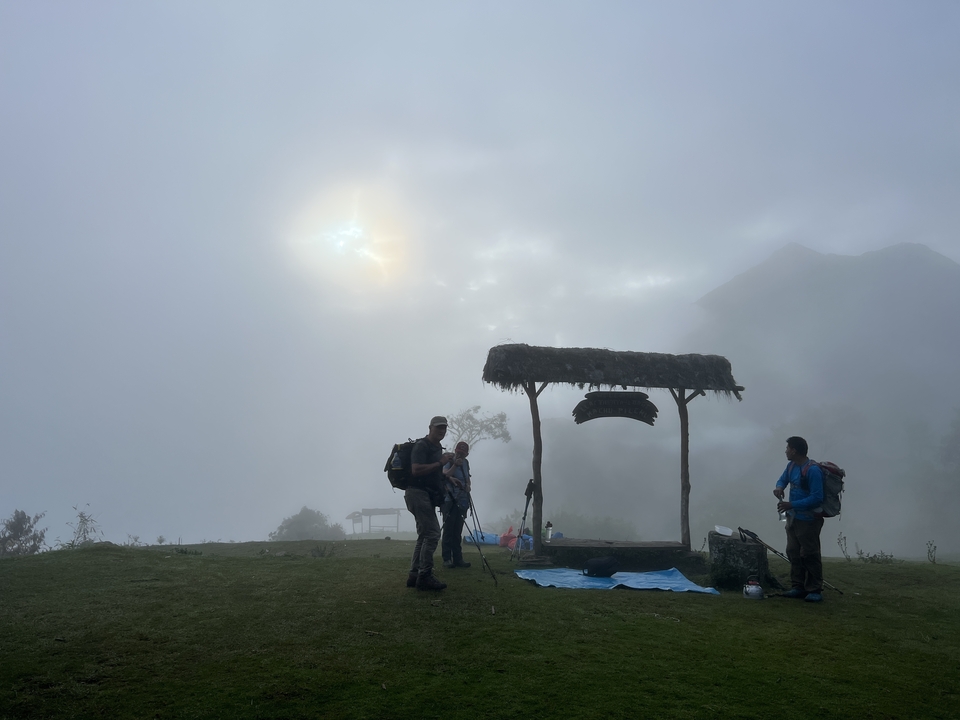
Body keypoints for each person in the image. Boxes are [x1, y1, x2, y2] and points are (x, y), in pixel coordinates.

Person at [774, 436, 826, 602]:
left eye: (788, 448)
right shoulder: (791, 466)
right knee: (793, 552)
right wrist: (779, 487)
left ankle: (814, 589)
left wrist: (792, 505)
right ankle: (798, 586)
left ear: (795, 450)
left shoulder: (813, 470)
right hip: (793, 518)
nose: (786, 451)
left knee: (809, 553)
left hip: (809, 519)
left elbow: (817, 497)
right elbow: (783, 479)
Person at [405, 416, 455, 591]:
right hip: (417, 494)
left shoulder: (435, 448)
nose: (441, 431)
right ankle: (424, 576)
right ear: (430, 428)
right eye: (438, 428)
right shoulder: (422, 445)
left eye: (444, 428)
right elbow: (416, 470)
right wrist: (440, 462)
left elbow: (433, 474)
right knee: (433, 534)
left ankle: (414, 574)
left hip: (425, 495)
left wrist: (449, 478)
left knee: (424, 535)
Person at [441, 441, 472, 569]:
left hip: (463, 500)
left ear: (467, 454)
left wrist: (468, 486)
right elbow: (445, 474)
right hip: (450, 500)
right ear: (455, 450)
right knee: (448, 530)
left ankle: (458, 558)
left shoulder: (466, 463)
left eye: (463, 454)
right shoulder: (449, 460)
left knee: (457, 530)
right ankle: (447, 558)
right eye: (459, 452)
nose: (460, 455)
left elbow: (467, 478)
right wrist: (455, 465)